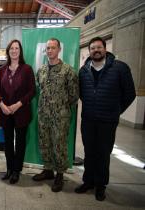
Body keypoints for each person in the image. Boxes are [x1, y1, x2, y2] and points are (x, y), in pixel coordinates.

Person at [75, 37, 136, 201]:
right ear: (89, 51)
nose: (96, 50)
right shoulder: (84, 71)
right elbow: (82, 93)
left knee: (103, 153)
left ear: (105, 48)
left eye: (99, 47)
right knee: (89, 152)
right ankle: (88, 181)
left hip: (107, 121)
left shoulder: (119, 68)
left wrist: (116, 111)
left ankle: (101, 186)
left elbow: (130, 94)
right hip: (88, 119)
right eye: (93, 48)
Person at [33, 38, 79, 192]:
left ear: (59, 49)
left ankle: (60, 174)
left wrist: (61, 108)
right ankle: (48, 170)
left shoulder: (68, 71)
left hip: (61, 116)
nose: (50, 50)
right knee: (44, 143)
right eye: (48, 48)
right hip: (43, 115)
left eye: (53, 48)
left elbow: (74, 96)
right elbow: (40, 88)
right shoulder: (42, 70)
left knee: (59, 145)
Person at [0, 39, 36, 184]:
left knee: (19, 142)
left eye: (16, 48)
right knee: (7, 142)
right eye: (11, 48)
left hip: (21, 112)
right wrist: (2, 104)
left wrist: (18, 104)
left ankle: (16, 171)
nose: (14, 50)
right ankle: (9, 169)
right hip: (5, 112)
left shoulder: (27, 69)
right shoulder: (2, 70)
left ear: (20, 51)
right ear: (8, 51)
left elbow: (32, 91)